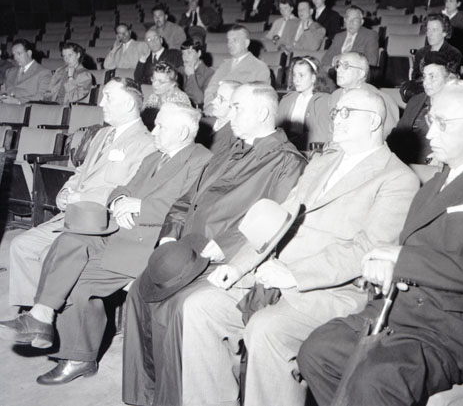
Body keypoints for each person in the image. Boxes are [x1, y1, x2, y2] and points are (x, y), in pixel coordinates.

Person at [298, 79, 463, 406]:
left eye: (443, 123)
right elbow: (414, 250)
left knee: (374, 378)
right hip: (399, 313)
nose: (430, 134)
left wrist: (398, 258)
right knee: (317, 350)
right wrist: (386, 266)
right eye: (431, 121)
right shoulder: (432, 185)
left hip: (454, 328)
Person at [180, 87, 420, 406]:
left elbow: (367, 248)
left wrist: (293, 275)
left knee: (267, 329)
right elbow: (278, 219)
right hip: (272, 274)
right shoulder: (322, 161)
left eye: (346, 113)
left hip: (328, 290)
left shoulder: (397, 178)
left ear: (374, 121)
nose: (336, 119)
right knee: (199, 307)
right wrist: (238, 266)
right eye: (335, 112)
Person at [122, 83, 307, 406]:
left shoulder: (287, 161)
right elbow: (186, 200)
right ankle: (145, 395)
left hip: (226, 259)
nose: (228, 114)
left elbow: (276, 222)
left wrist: (225, 245)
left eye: (237, 107)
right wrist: (170, 234)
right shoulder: (226, 151)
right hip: (187, 250)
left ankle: (173, 400)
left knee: (178, 307)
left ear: (263, 112)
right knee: (140, 290)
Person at [0, 103, 211, 385]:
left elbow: (190, 207)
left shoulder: (202, 160)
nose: (154, 131)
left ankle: (78, 358)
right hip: (120, 230)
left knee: (78, 279)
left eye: (161, 126)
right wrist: (121, 201)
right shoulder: (154, 157)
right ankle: (42, 315)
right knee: (68, 239)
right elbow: (122, 188)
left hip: (150, 242)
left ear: (183, 132)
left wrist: (141, 206)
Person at [7, 78, 155, 308]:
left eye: (108, 97)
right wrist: (66, 191)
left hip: (101, 224)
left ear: (128, 104)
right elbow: (81, 172)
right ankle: (33, 312)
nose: (101, 103)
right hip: (73, 216)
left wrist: (83, 198)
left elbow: (130, 192)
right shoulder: (102, 134)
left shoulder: (146, 144)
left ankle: (53, 314)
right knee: (21, 245)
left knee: (49, 255)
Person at [388, 63, 457, 165]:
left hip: (433, 163)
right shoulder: (416, 100)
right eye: (424, 76)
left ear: (449, 79)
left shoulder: (457, 106)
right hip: (404, 162)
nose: (425, 82)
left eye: (432, 77)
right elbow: (398, 134)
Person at [329, 52, 399, 138]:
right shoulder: (335, 96)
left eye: (345, 66)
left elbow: (389, 137)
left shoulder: (380, 99)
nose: (338, 70)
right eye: (338, 65)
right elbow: (330, 134)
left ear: (361, 74)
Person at [276, 56, 334, 151]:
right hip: (285, 149)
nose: (296, 80)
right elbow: (277, 129)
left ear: (313, 78)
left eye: (301, 75)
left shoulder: (323, 101)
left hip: (307, 151)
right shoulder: (287, 99)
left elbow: (321, 136)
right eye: (294, 75)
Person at [202, 25, 271, 101]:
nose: (229, 44)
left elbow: (258, 99)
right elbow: (210, 90)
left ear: (246, 43)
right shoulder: (224, 65)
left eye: (234, 40)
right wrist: (211, 106)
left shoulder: (260, 68)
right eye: (228, 40)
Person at [141, 61, 191, 129]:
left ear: (173, 84)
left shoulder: (180, 100)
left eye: (161, 82)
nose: (155, 84)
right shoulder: (154, 96)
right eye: (154, 79)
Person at [0, 38, 52, 104]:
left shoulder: (43, 73)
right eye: (14, 54)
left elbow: (42, 97)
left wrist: (18, 101)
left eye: (19, 53)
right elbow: (3, 92)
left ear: (29, 53)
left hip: (27, 108)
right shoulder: (10, 72)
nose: (15, 58)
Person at [413, 14, 463, 79]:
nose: (429, 34)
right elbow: (416, 77)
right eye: (428, 29)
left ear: (444, 33)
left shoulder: (454, 54)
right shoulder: (420, 53)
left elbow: (451, 80)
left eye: (434, 30)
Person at [199, 80, 240, 152]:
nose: (213, 101)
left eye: (221, 99)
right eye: (215, 96)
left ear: (235, 107)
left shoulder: (234, 138)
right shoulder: (201, 123)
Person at [179, 39, 214, 107]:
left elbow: (199, 100)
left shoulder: (209, 74)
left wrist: (191, 76)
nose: (185, 57)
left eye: (189, 53)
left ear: (199, 53)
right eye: (183, 53)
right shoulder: (179, 70)